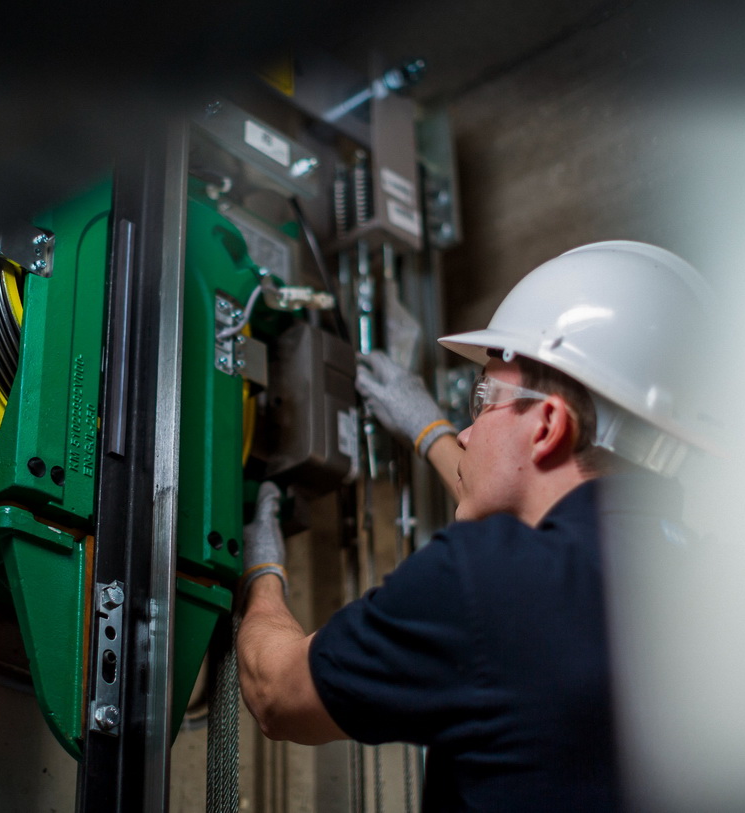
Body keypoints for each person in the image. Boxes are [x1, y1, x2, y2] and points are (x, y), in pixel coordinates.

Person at [236, 241, 715, 812]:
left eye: (483, 399)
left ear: (547, 426)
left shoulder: (484, 581)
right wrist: (427, 428)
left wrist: (262, 573)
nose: (466, 433)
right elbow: (539, 521)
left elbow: (274, 694)